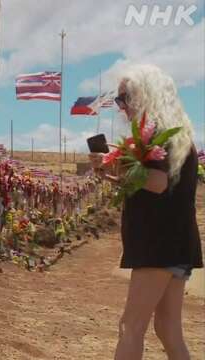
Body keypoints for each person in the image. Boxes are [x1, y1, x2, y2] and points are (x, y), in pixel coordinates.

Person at [89, 64, 202, 360]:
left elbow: (156, 182)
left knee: (130, 326)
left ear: (145, 96)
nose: (120, 106)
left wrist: (118, 166)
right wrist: (113, 173)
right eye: (119, 98)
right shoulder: (177, 137)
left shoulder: (158, 135)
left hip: (159, 245)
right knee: (167, 329)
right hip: (177, 244)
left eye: (124, 97)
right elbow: (157, 185)